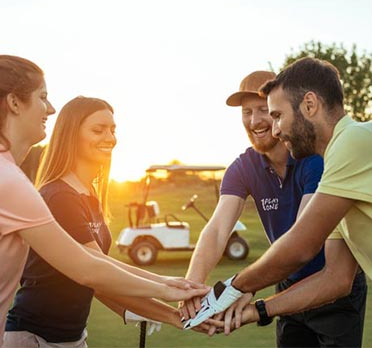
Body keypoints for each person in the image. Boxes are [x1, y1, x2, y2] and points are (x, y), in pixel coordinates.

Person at [0, 55, 208, 344]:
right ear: (14, 102)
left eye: (112, 129)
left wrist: (166, 289)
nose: (50, 107)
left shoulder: (78, 195)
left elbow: (94, 271)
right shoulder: (38, 190)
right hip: (37, 337)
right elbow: (90, 270)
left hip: (70, 336)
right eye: (42, 97)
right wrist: (170, 294)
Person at [186, 58, 371, 346]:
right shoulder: (333, 160)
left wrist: (234, 288)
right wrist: (193, 289)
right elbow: (218, 230)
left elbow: (303, 247)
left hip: (330, 296)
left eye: (273, 114)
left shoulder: (340, 149)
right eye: (248, 112)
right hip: (291, 286)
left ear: (308, 105)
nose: (268, 127)